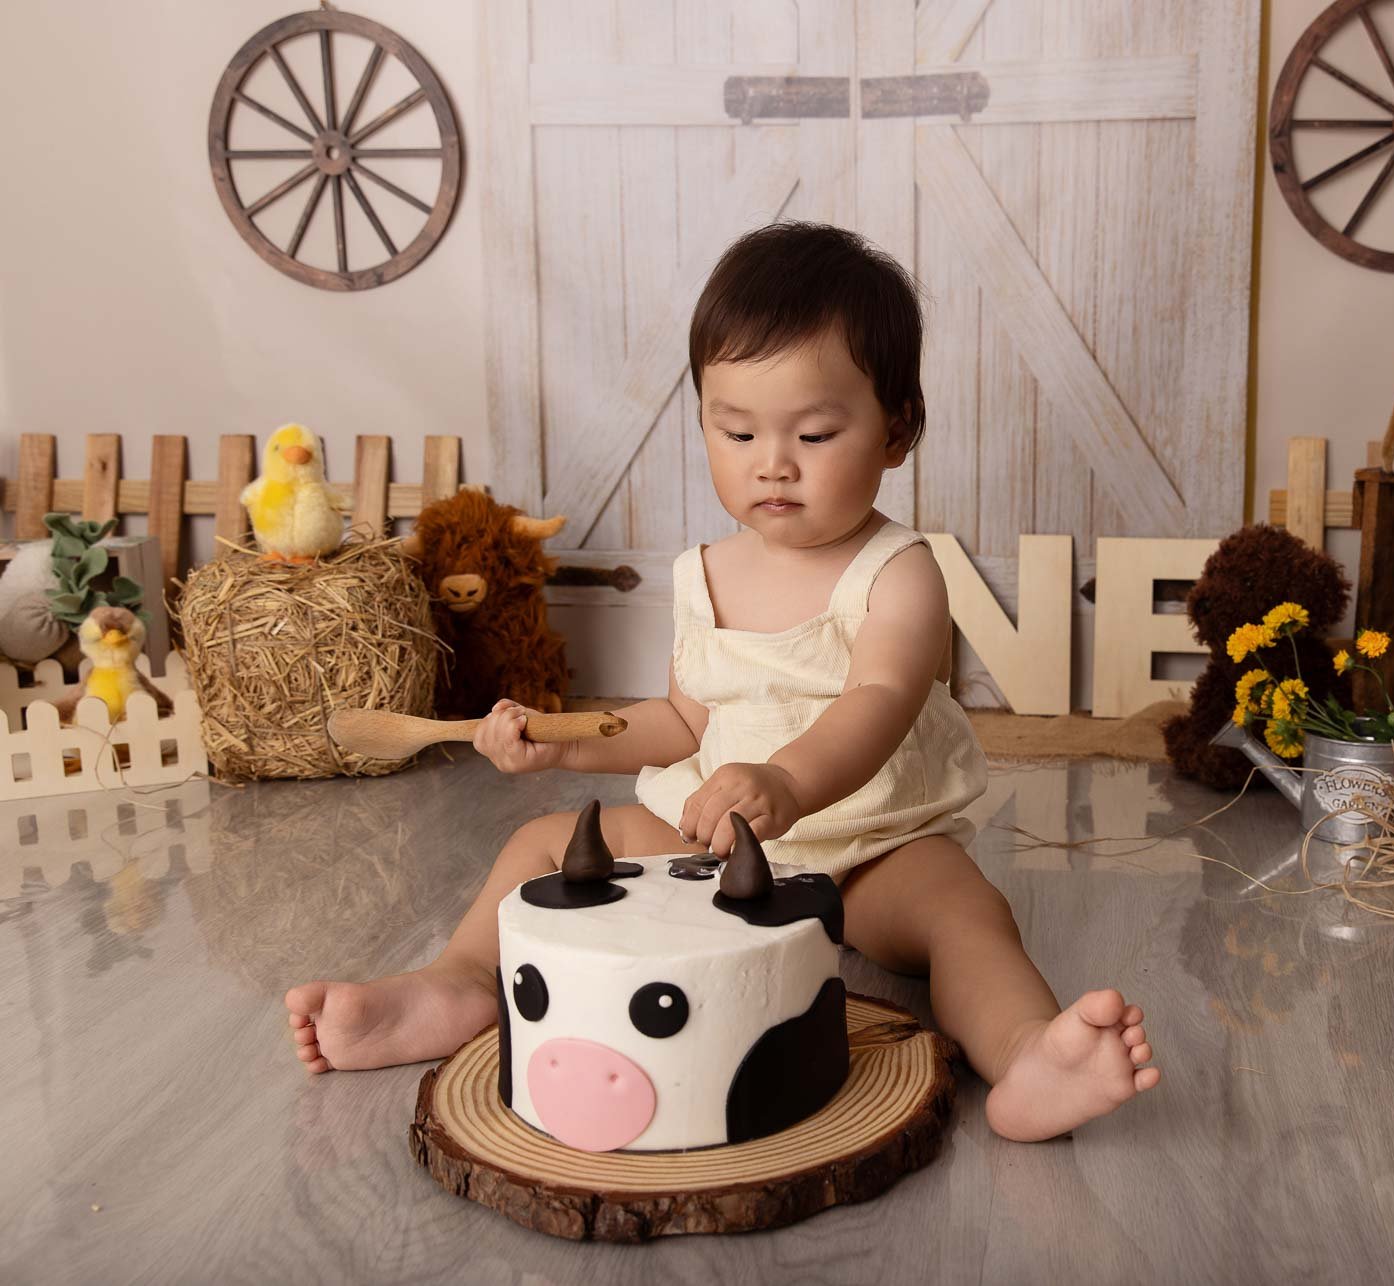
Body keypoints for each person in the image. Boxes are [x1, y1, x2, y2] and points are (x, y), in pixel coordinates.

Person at [285, 222, 1158, 1140]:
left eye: (814, 433)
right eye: (735, 430)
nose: (771, 461)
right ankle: (458, 984)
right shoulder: (704, 574)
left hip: (869, 846)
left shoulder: (899, 573)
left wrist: (787, 780)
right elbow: (680, 721)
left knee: (965, 913)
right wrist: (560, 741)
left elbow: (878, 702)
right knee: (540, 845)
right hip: (710, 838)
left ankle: (1024, 1053)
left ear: (897, 430)